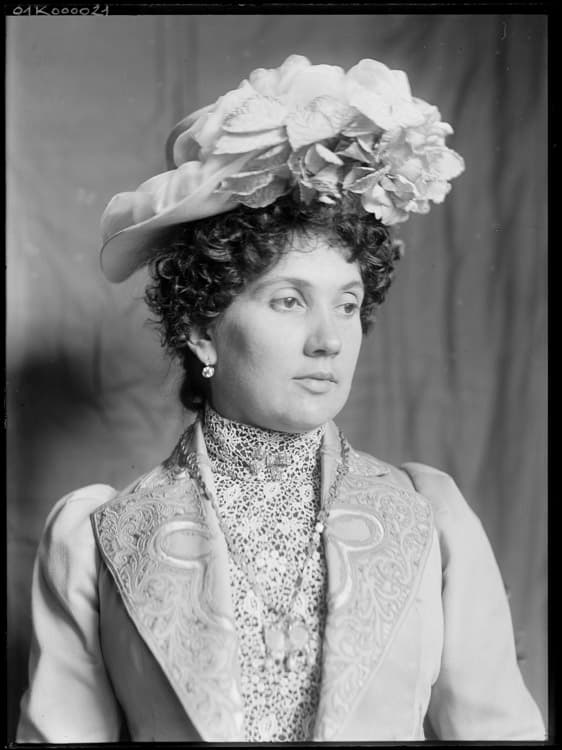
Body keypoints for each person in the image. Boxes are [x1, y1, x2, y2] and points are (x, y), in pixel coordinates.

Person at [17, 54, 545, 743]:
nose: (329, 340)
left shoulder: (431, 520)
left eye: (347, 304)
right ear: (201, 328)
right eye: (289, 301)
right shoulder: (96, 539)